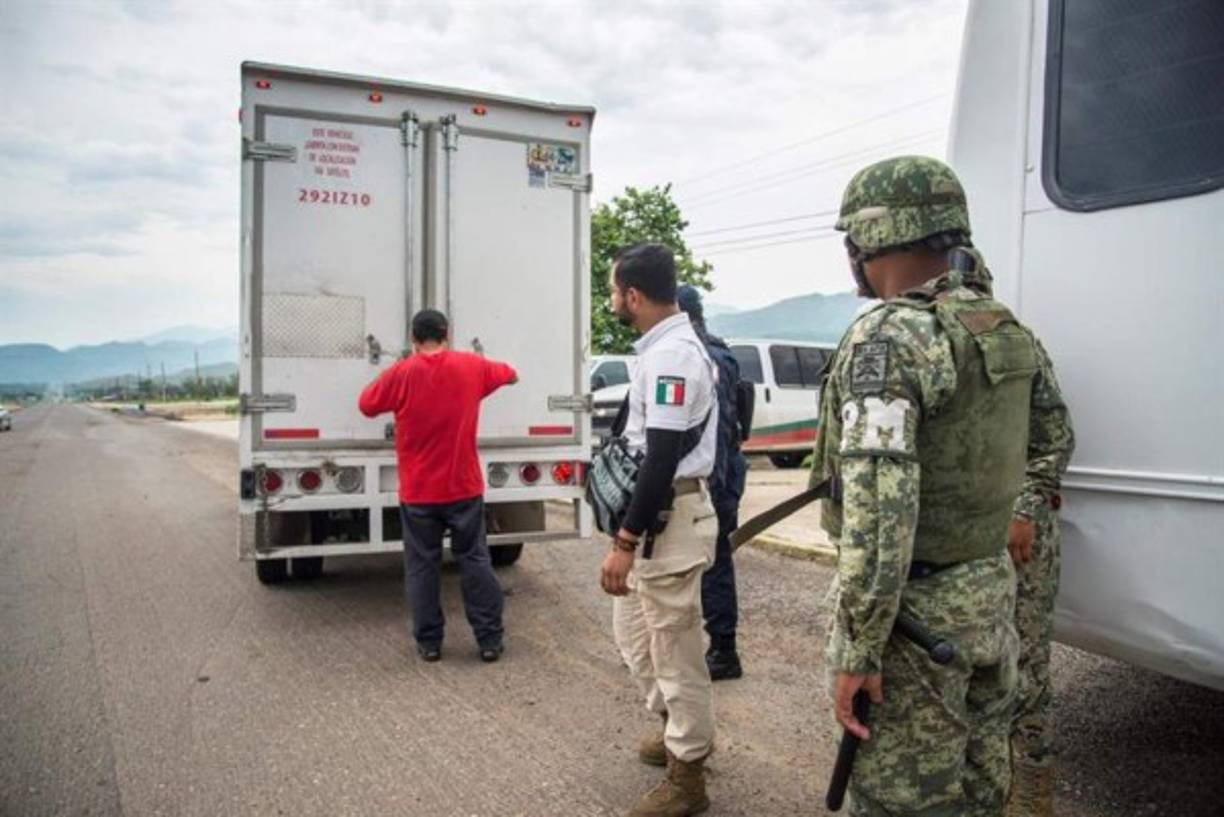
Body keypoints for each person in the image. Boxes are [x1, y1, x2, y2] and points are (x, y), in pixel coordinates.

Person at [812, 155, 1040, 815]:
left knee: (900, 800)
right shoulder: (996, 326)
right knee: (979, 793)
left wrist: (858, 646)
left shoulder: (890, 336)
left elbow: (880, 517)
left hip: (915, 629)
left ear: (870, 238)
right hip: (988, 599)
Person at [600, 243, 719, 817]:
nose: (610, 300)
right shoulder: (658, 349)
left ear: (634, 295)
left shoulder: (673, 356)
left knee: (675, 651)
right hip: (654, 520)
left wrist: (625, 541)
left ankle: (688, 773)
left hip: (668, 524)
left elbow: (663, 454)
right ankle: (676, 727)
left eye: (612, 290)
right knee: (634, 636)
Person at [960, 263, 1076, 817]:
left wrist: (1025, 509)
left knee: (1025, 664)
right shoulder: (937, 348)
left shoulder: (1017, 344)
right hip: (969, 538)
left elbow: (1055, 437)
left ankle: (1033, 790)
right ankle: (986, 779)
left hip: (1019, 535)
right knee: (972, 664)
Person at [358, 308, 517, 663]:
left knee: (422, 566)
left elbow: (366, 405)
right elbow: (511, 374)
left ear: (413, 339)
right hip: (463, 487)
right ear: (447, 333)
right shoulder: (471, 367)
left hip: (418, 493)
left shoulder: (401, 373)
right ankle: (489, 640)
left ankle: (429, 643)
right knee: (475, 559)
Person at [677, 284, 749, 681]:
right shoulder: (722, 352)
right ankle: (718, 647)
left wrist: (710, 484)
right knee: (714, 562)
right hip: (727, 472)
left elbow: (715, 430)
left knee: (707, 564)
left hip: (713, 478)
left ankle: (721, 651)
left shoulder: (698, 357)